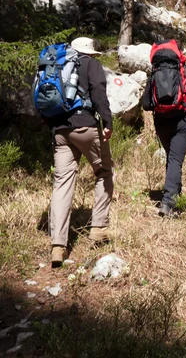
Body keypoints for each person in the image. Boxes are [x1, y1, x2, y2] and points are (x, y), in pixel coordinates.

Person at [46, 37, 113, 267]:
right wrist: (107, 121)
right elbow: (98, 92)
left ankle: (58, 245)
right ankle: (98, 228)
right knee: (104, 172)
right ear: (89, 52)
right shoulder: (90, 64)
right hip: (85, 126)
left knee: (62, 183)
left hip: (60, 131)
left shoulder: (57, 64)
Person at [142, 40, 186, 217]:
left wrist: (163, 106)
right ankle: (168, 203)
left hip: (162, 122)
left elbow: (146, 105)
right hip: (182, 121)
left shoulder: (154, 74)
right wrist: (185, 103)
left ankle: (174, 194)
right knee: (175, 160)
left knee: (172, 158)